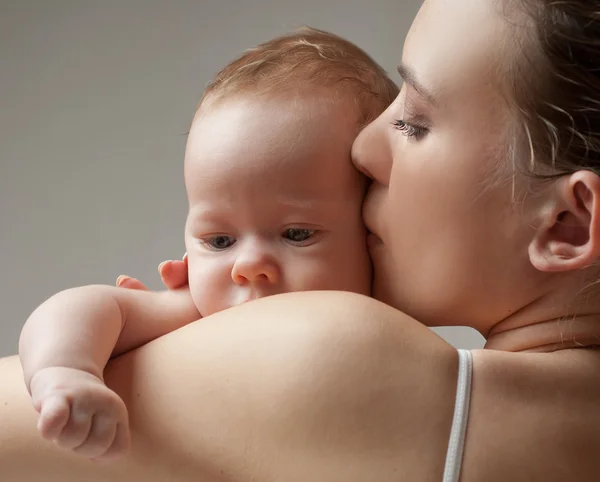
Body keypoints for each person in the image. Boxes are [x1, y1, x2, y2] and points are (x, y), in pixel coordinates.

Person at [2, 0, 600, 480]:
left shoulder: (342, 360)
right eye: (217, 239)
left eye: (415, 123)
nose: (363, 150)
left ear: (566, 225)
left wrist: (80, 367)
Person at [17, 27, 398, 460]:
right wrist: (66, 373)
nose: (249, 265)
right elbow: (78, 308)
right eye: (220, 241)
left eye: (296, 234)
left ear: (374, 232)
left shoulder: (400, 335)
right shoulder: (202, 316)